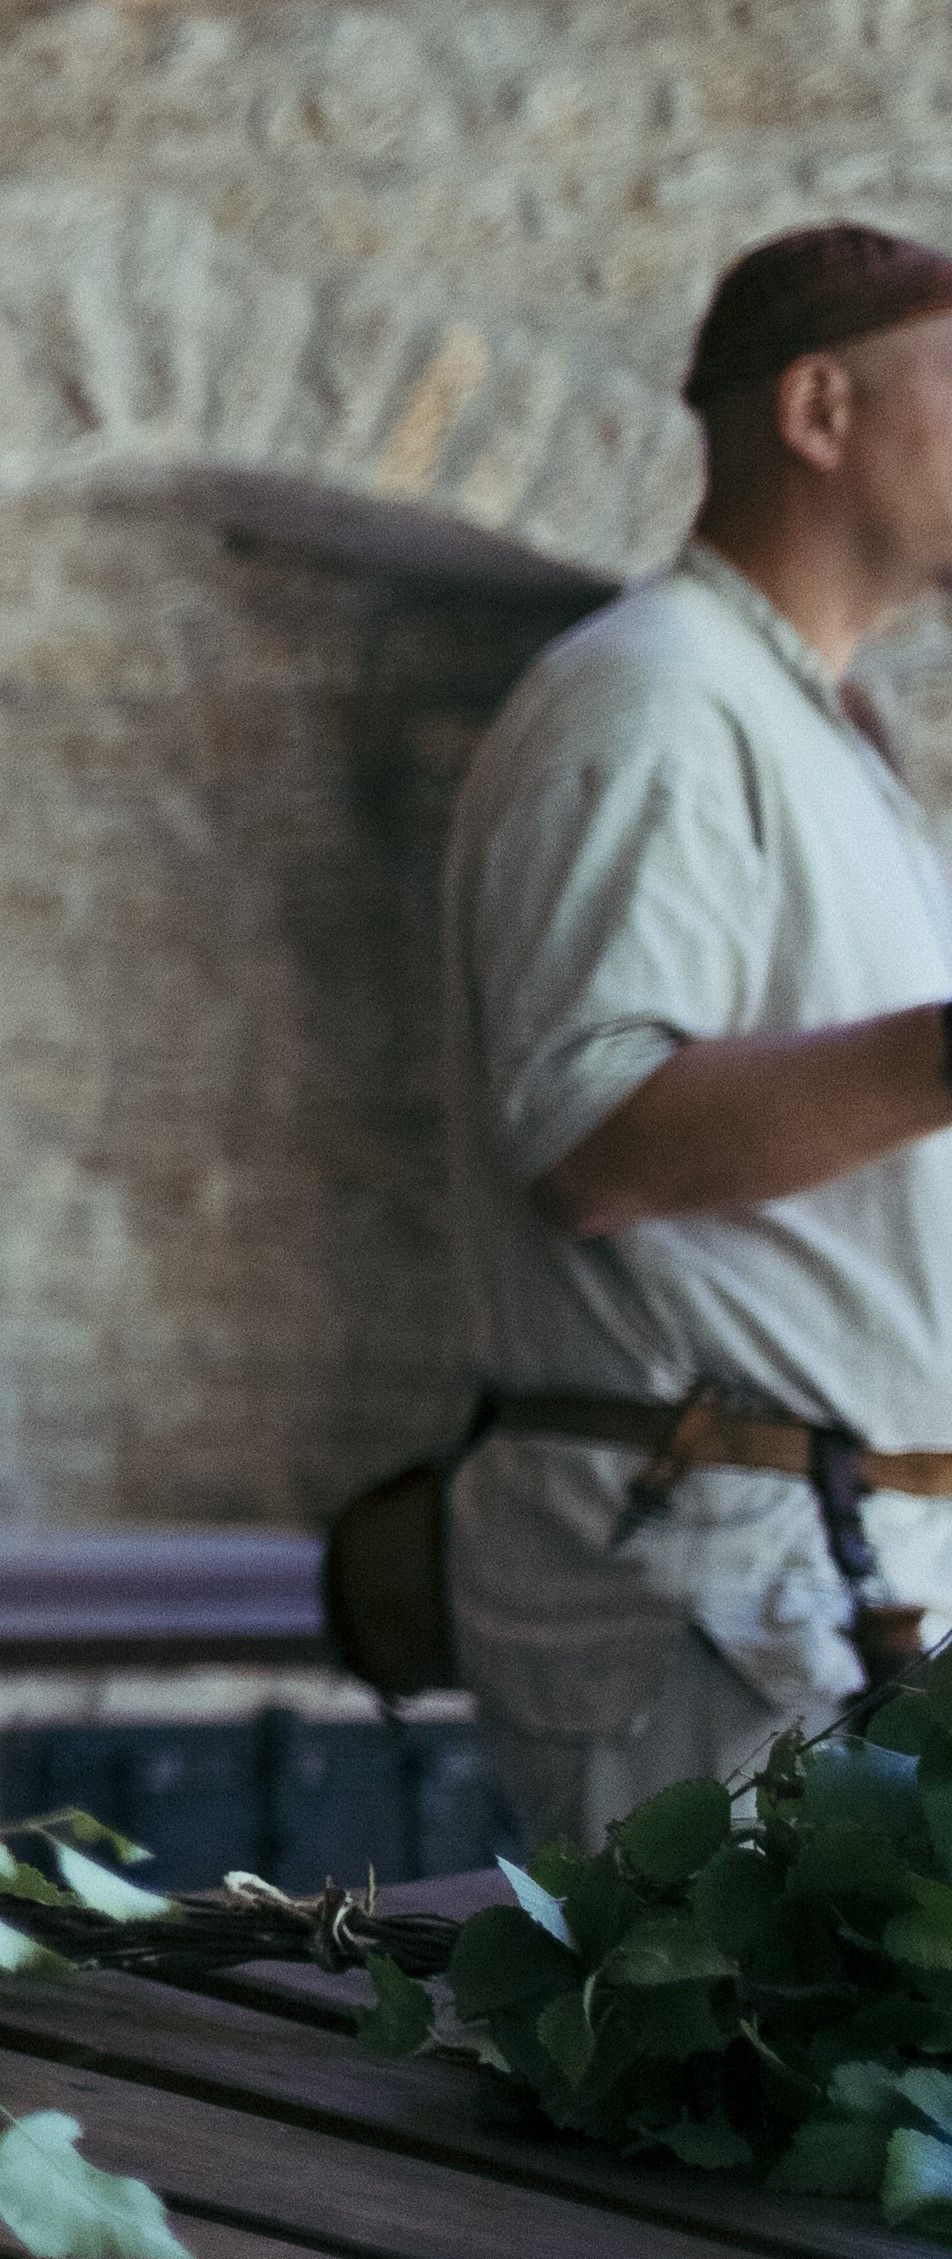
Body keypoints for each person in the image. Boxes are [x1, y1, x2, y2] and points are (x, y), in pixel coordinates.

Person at [441, 221, 952, 1844]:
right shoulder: (649, 698)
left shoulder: (824, 733)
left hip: (825, 1583)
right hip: (710, 1606)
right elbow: (594, 1140)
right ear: (821, 411)